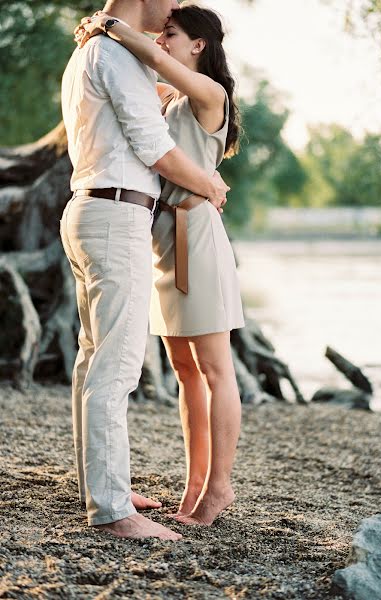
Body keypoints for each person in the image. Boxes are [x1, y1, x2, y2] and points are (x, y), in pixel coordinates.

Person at [60, 0, 229, 541]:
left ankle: (109, 485)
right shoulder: (111, 52)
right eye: (173, 2)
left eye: (180, 25)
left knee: (98, 361)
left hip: (120, 215)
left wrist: (110, 25)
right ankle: (111, 506)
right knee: (115, 364)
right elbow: (155, 147)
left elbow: (170, 113)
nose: (175, 6)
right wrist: (210, 183)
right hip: (117, 214)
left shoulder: (102, 51)